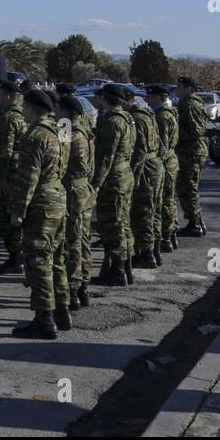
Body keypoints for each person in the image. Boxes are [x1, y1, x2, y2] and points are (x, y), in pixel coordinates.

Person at [4, 89, 71, 339]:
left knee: (39, 261)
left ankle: (44, 319)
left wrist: (18, 210)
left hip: (41, 202)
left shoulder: (34, 135)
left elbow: (28, 177)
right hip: (58, 198)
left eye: (24, 107)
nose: (22, 111)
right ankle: (62, 311)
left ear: (32, 109)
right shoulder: (59, 131)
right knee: (56, 258)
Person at [90, 83, 135, 287]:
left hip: (113, 178)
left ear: (106, 99)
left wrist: (96, 183)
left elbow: (105, 157)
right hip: (124, 173)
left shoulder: (112, 122)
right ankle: (124, 268)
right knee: (122, 223)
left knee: (112, 226)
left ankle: (117, 271)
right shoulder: (127, 118)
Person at [55, 87, 96, 309]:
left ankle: (72, 289)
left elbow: (59, 164)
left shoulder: (68, 132)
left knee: (71, 242)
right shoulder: (86, 131)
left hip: (71, 191)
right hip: (84, 189)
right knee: (82, 239)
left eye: (58, 109)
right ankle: (83, 287)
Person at [0, 78, 29, 275]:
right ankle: (18, 256)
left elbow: (4, 152)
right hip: (19, 172)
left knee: (8, 218)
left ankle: (16, 258)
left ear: (8, 96)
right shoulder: (21, 115)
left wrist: (0, 178)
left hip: (10, 175)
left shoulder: (9, 118)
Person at [126, 86, 163, 269]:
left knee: (144, 213)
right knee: (153, 210)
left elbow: (139, 151)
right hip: (155, 165)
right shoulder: (148, 114)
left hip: (146, 168)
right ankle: (154, 249)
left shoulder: (137, 118)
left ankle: (147, 253)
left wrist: (135, 176)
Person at [175, 77, 209, 237]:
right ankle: (197, 220)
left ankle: (194, 224)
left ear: (189, 88)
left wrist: (175, 134)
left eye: (180, 87)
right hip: (190, 151)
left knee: (188, 187)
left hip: (192, 151)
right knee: (187, 186)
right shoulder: (191, 102)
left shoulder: (190, 104)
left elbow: (197, 130)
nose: (177, 90)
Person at [149, 84, 180, 253]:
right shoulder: (170, 113)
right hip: (171, 159)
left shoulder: (161, 116)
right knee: (169, 200)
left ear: (159, 98)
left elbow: (160, 143)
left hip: (165, 161)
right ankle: (171, 233)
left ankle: (166, 236)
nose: (148, 99)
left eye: (151, 96)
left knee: (164, 201)